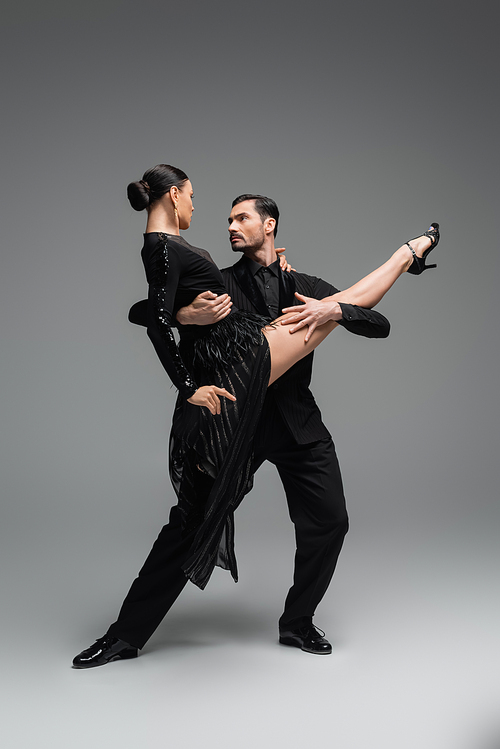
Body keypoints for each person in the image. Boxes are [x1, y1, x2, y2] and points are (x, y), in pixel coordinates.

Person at [73, 164, 439, 668]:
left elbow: (378, 323)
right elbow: (145, 310)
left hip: (295, 423)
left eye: (241, 218)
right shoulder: (220, 281)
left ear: (270, 225)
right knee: (189, 524)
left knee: (330, 523)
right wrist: (186, 315)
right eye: (226, 219)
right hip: (235, 419)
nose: (229, 226)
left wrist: (333, 311)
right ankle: (124, 636)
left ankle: (298, 623)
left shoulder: (302, 283)